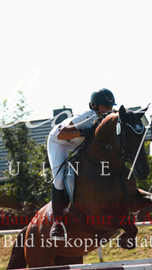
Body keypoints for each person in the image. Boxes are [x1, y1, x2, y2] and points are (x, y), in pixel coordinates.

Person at [46, 88, 116, 240]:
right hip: (60, 143)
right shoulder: (86, 116)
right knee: (59, 179)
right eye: (105, 106)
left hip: (77, 144)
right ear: (94, 106)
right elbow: (62, 134)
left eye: (111, 106)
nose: (109, 110)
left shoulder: (108, 118)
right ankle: (57, 222)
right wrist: (84, 132)